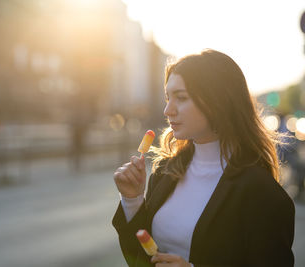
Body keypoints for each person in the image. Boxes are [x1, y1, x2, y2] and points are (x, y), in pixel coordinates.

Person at [112, 49, 295, 267]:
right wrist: (132, 199)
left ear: (217, 101)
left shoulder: (262, 193)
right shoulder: (165, 171)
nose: (167, 110)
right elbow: (140, 260)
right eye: (168, 98)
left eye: (181, 98)